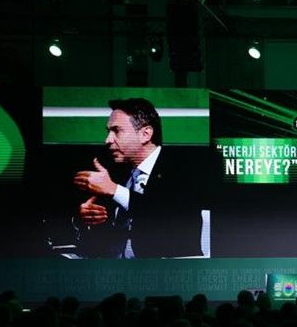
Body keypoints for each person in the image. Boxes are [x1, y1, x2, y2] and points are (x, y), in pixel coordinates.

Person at [72, 98, 206, 258]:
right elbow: (109, 240)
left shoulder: (182, 169)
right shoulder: (118, 173)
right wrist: (87, 219)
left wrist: (114, 190)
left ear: (145, 134)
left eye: (116, 131)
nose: (107, 140)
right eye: (108, 132)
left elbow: (166, 217)